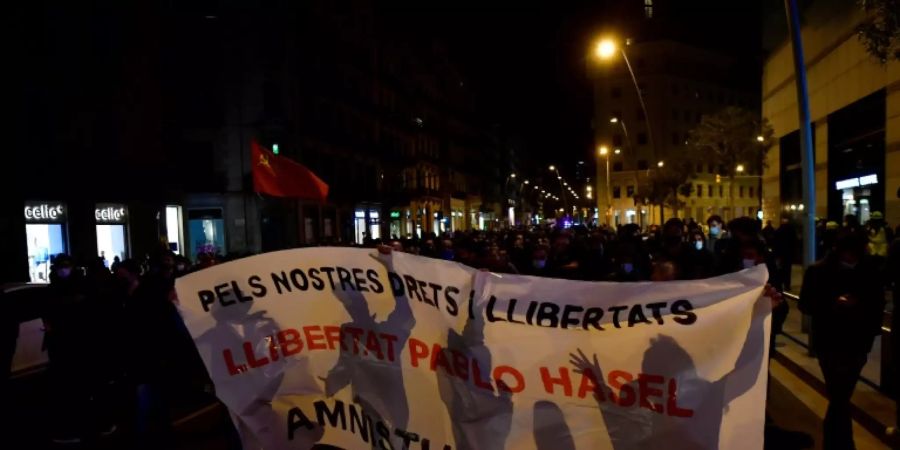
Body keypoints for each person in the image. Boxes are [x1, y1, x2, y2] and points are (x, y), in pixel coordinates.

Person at [799, 231, 884, 450]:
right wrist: (833, 303)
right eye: (849, 254)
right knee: (839, 393)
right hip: (830, 340)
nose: (853, 259)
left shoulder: (870, 271)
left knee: (840, 395)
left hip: (858, 340)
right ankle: (842, 444)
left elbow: (878, 305)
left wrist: (860, 307)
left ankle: (836, 442)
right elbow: (805, 304)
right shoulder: (818, 272)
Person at [773, 218, 798, 292]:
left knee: (780, 269)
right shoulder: (791, 231)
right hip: (788, 253)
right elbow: (794, 242)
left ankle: (780, 284)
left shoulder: (778, 231)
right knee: (788, 270)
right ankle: (787, 285)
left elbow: (775, 243)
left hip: (780, 253)